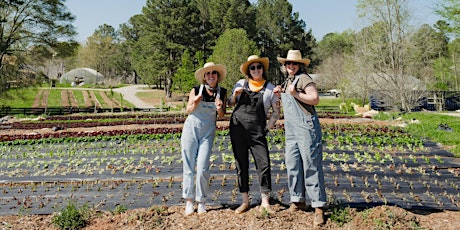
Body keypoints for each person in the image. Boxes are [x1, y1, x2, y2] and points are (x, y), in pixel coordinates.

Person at [275, 50, 326, 226]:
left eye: (294, 64)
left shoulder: (304, 79)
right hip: (291, 129)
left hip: (306, 127)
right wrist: (279, 91)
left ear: (300, 65)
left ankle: (318, 206)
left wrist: (296, 94)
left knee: (311, 165)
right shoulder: (288, 80)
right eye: (288, 64)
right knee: (293, 163)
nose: (291, 66)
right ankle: (297, 200)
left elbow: (315, 98)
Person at [228, 55, 280, 214]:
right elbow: (230, 103)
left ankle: (265, 201)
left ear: (263, 69)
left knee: (263, 163)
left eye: (259, 67)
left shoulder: (270, 88)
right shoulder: (241, 83)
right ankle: (245, 201)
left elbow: (276, 112)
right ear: (248, 71)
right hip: (238, 130)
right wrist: (235, 94)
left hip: (258, 131)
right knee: (241, 164)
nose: (256, 70)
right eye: (253, 67)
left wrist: (267, 128)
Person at [181, 62, 227, 216]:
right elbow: (188, 110)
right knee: (188, 166)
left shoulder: (222, 92)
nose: (211, 75)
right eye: (207, 73)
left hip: (208, 132)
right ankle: (189, 201)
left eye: (213, 73)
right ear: (204, 77)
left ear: (218, 76)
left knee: (202, 167)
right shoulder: (195, 90)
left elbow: (221, 115)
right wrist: (195, 103)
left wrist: (220, 107)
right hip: (191, 129)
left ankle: (201, 201)